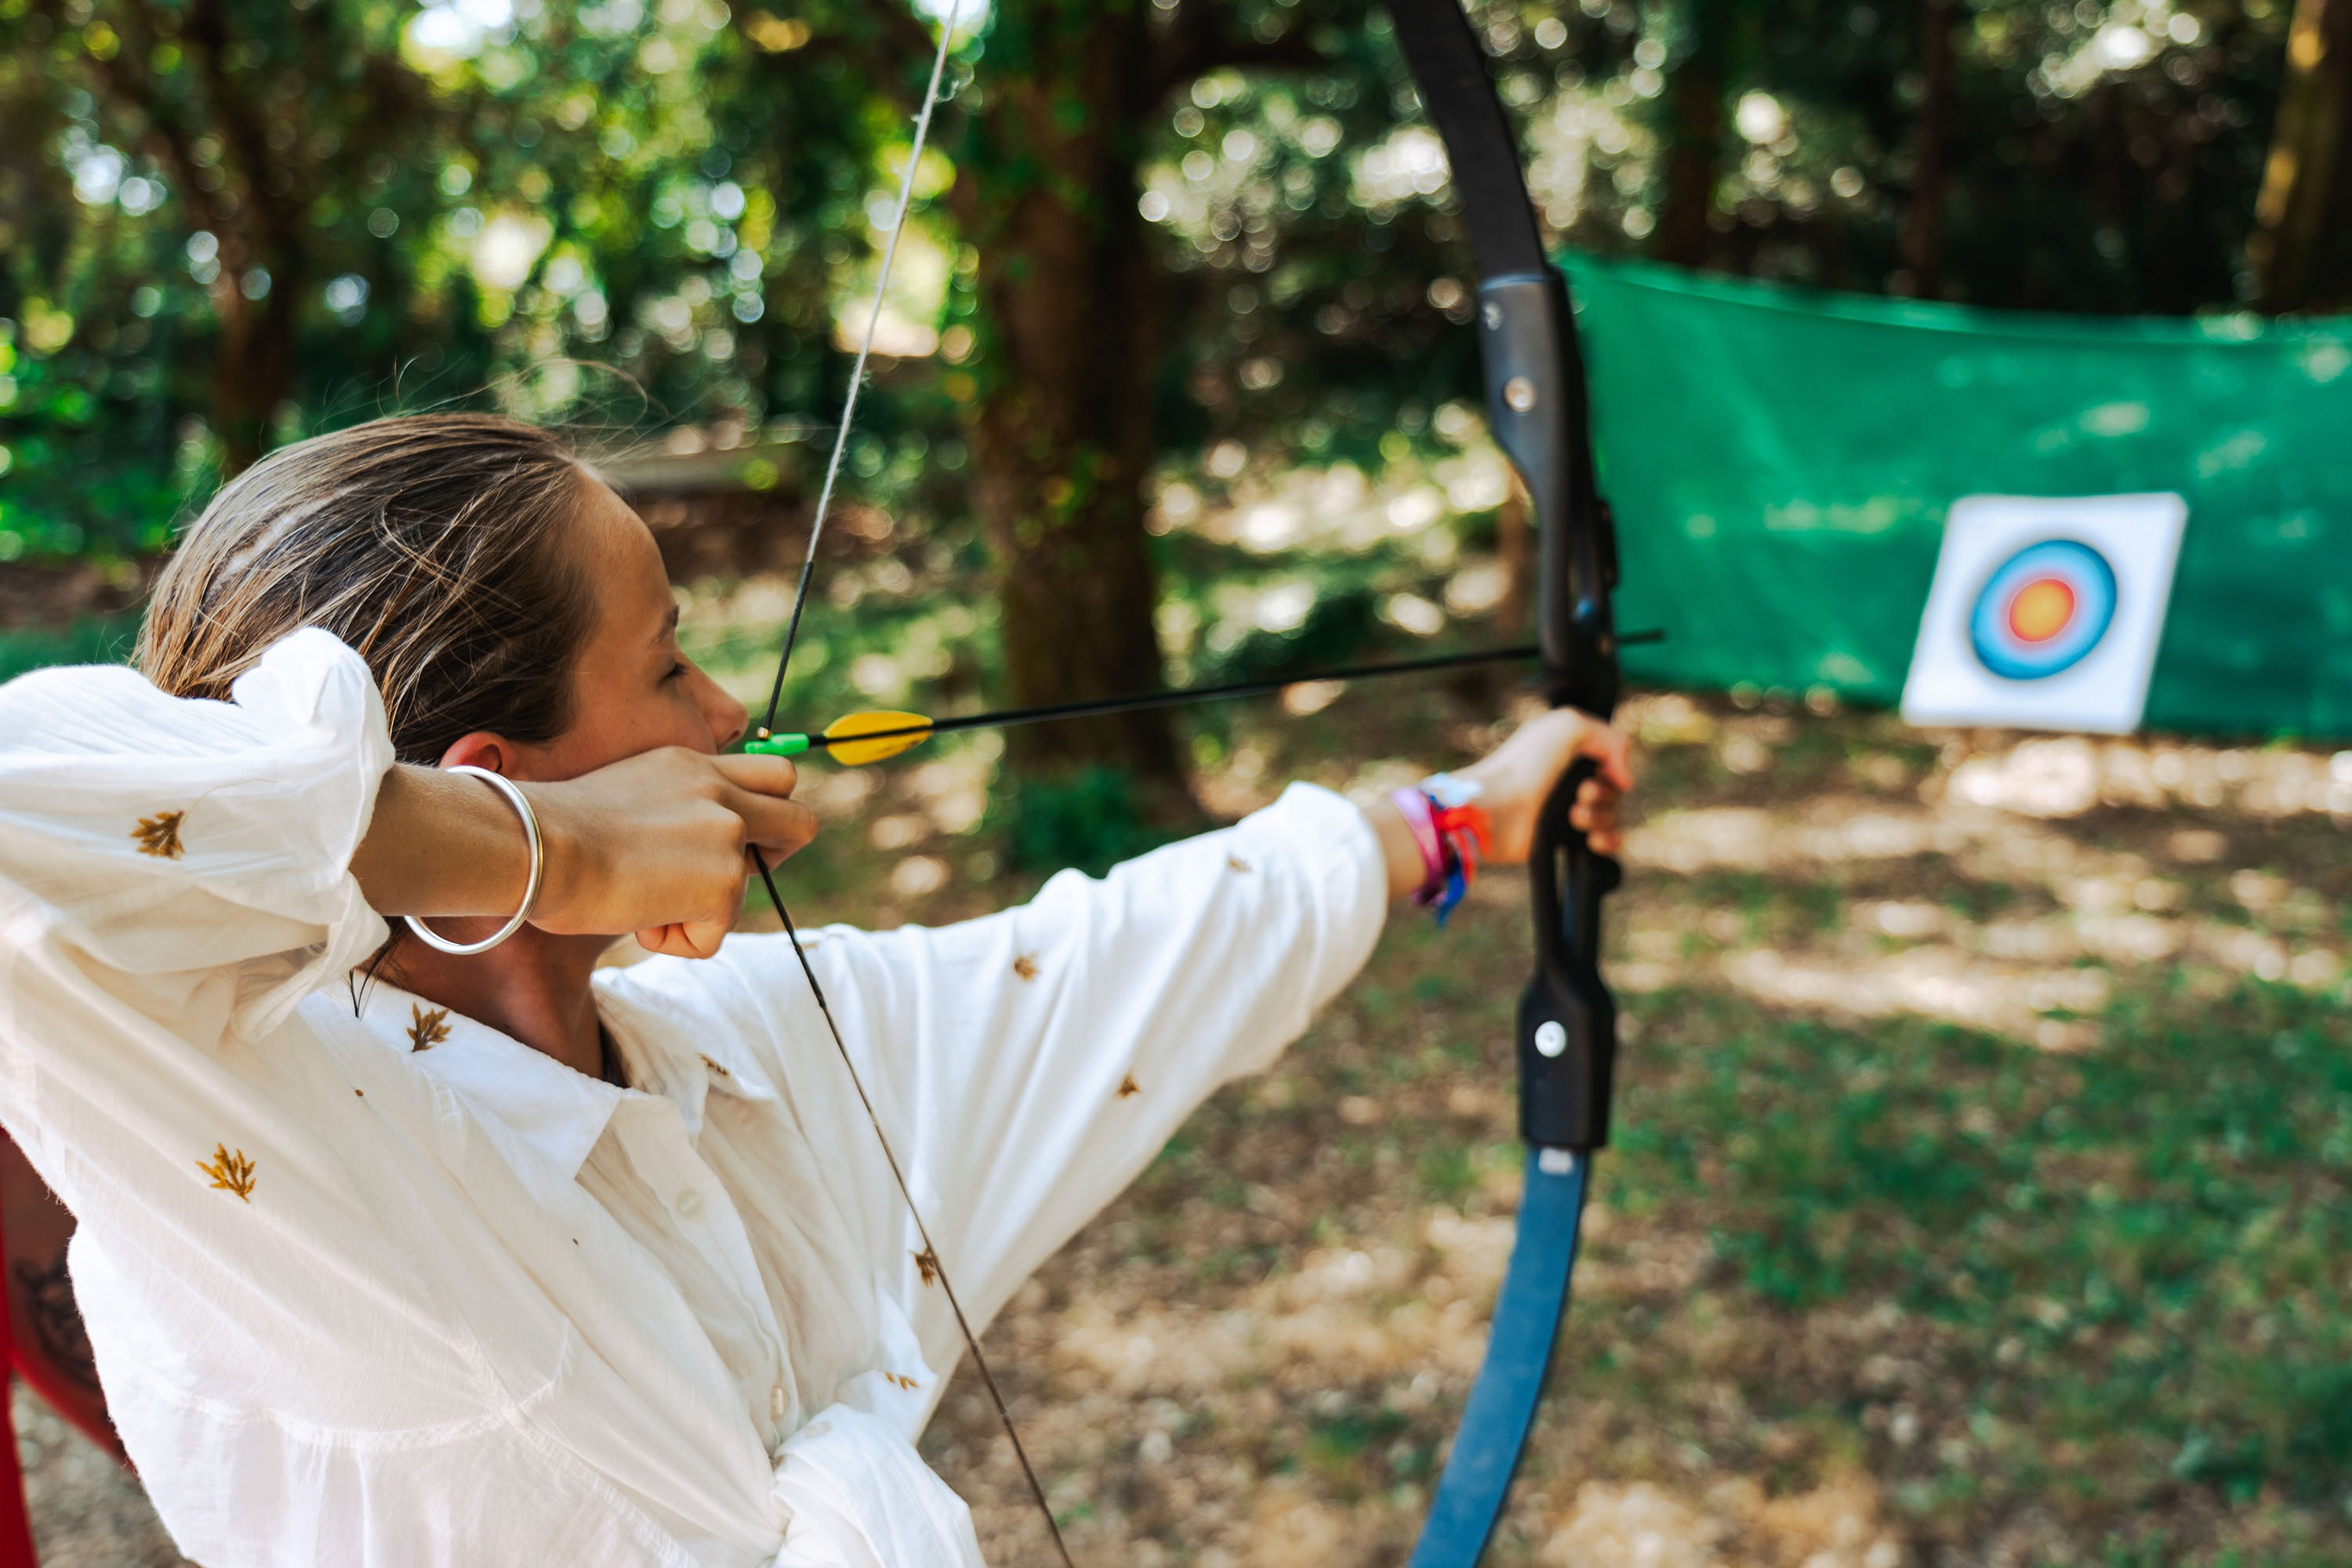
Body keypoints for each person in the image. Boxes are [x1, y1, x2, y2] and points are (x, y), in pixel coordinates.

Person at [0, 413, 1631, 1567]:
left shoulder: (750, 1051)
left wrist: (1460, 820)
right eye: (668, 666)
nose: (730, 715)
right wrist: (546, 853)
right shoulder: (264, 1171)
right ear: (499, 773)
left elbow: (1118, 956)